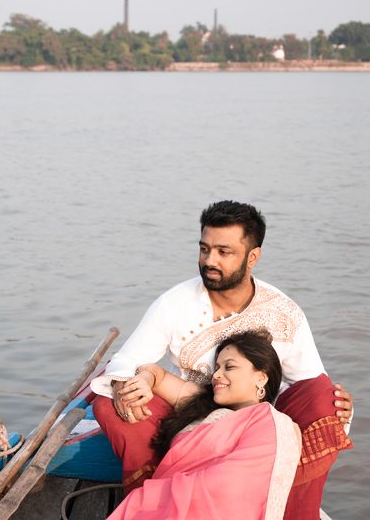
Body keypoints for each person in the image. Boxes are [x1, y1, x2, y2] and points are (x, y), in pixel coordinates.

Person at [91, 201, 353, 520]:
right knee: (112, 405)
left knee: (324, 398)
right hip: (191, 417)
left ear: (252, 257)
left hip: (256, 426)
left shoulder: (284, 314)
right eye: (204, 249)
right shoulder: (174, 304)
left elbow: (311, 387)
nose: (209, 261)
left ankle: (292, 510)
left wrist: (335, 404)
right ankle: (157, 503)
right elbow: (127, 363)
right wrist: (132, 384)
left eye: (223, 252)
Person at [107, 330, 300, 520]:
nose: (216, 375)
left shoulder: (272, 424)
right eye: (217, 367)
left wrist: (159, 496)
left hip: (184, 506)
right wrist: (144, 379)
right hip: (156, 500)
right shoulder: (202, 403)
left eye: (229, 367)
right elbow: (157, 375)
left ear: (261, 377)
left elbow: (231, 485)